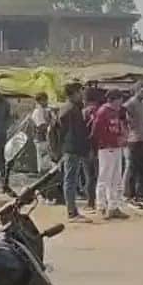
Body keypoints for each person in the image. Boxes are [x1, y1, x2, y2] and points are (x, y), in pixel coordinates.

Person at [54, 82, 93, 224]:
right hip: (72, 149)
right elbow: (72, 133)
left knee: (71, 179)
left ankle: (73, 211)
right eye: (80, 92)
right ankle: (72, 213)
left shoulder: (70, 108)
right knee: (70, 180)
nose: (81, 94)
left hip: (71, 148)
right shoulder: (70, 109)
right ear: (74, 93)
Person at [89, 89, 130, 220]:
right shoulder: (103, 111)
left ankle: (113, 206)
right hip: (106, 148)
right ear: (115, 99)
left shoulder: (115, 111)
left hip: (116, 147)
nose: (121, 102)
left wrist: (121, 137)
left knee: (116, 178)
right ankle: (101, 206)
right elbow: (96, 131)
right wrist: (106, 142)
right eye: (120, 99)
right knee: (105, 177)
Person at [123, 85, 143, 205]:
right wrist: (130, 126)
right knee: (133, 168)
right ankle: (130, 194)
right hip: (134, 140)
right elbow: (124, 118)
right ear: (136, 91)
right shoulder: (130, 104)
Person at [30, 92, 54, 175]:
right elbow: (41, 126)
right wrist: (50, 122)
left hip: (45, 138)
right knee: (43, 161)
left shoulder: (44, 110)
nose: (46, 102)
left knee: (46, 160)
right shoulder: (38, 112)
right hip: (41, 139)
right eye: (44, 100)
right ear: (40, 101)